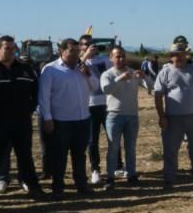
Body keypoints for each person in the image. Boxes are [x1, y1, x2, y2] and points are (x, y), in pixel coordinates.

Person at [0, 36, 44, 205]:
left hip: (21, 120)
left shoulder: (25, 69)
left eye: (13, 48)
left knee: (25, 155)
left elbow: (35, 93)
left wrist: (29, 109)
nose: (11, 51)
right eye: (7, 48)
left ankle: (34, 187)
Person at [39, 38, 97, 199]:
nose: (76, 54)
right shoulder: (50, 70)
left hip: (82, 119)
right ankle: (58, 187)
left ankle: (81, 184)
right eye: (72, 51)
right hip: (61, 120)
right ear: (62, 51)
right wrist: (48, 118)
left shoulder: (83, 68)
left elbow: (96, 87)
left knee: (79, 154)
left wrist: (88, 74)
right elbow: (43, 96)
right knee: (59, 155)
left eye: (78, 51)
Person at [154, 43, 193, 188]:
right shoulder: (165, 72)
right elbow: (158, 95)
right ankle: (169, 178)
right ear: (171, 56)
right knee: (170, 149)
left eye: (182, 54)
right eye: (176, 54)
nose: (179, 57)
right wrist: (161, 116)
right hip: (173, 118)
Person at [101, 47, 152, 190]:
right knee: (113, 148)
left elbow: (150, 87)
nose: (121, 59)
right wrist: (120, 78)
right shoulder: (107, 74)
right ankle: (110, 177)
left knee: (131, 148)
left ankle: (132, 175)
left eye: (123, 56)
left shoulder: (132, 73)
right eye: (117, 56)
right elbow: (106, 89)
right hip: (114, 116)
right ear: (111, 58)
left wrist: (145, 76)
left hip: (132, 116)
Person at [78, 35, 112, 186]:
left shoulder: (103, 60)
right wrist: (85, 56)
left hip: (106, 103)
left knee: (113, 137)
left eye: (92, 44)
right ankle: (95, 170)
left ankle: (117, 165)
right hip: (89, 105)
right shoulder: (78, 61)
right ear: (80, 46)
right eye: (85, 44)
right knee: (92, 140)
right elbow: (73, 68)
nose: (89, 47)